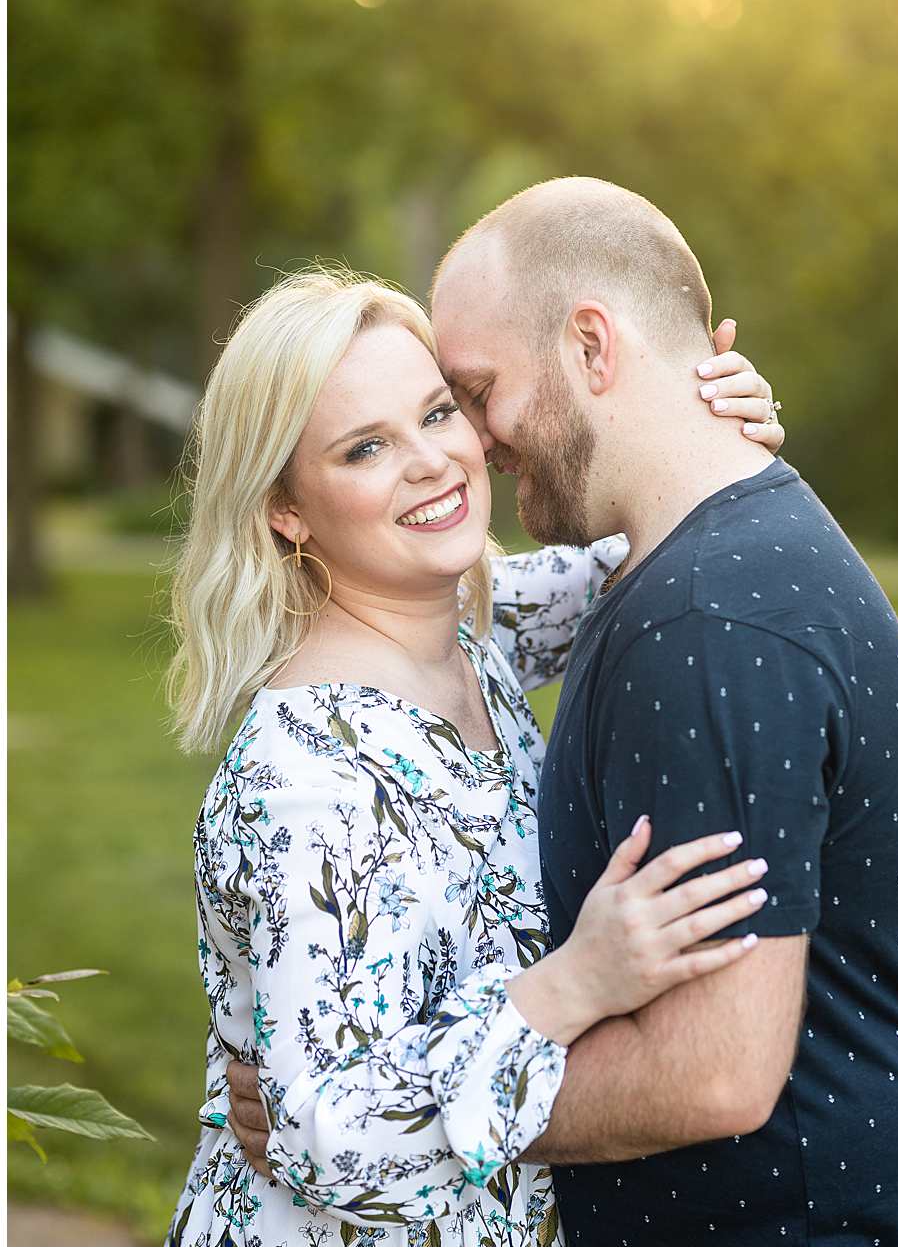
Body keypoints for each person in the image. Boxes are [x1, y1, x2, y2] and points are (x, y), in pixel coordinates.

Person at [164, 266, 788, 1246]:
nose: (430, 462)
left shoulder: (473, 630)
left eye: (439, 412)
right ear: (285, 508)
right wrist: (574, 984)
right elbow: (330, 1145)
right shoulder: (312, 786)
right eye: (365, 447)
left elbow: (646, 545)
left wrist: (717, 422)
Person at [423, 177, 898, 1245]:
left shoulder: (706, 622)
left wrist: (397, 1121)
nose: (475, 439)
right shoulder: (712, 555)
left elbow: (709, 1072)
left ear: (590, 348)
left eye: (478, 391)